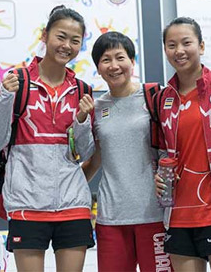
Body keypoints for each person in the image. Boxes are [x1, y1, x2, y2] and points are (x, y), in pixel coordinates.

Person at [0, 5, 95, 272]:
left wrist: (81, 121)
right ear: (45, 36)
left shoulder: (82, 90)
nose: (66, 45)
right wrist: (3, 100)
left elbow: (84, 152)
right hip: (27, 204)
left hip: (73, 204)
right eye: (61, 36)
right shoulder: (18, 82)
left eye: (75, 40)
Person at [154, 17, 211, 272]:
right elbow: (162, 151)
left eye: (186, 43)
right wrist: (158, 175)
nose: (179, 51)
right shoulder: (163, 98)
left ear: (201, 46)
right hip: (178, 217)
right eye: (171, 45)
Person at [82, 31, 171, 271]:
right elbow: (97, 157)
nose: (114, 65)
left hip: (153, 214)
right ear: (98, 68)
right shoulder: (97, 108)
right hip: (111, 217)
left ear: (132, 62)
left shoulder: (156, 97)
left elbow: (172, 147)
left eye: (120, 57)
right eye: (105, 60)